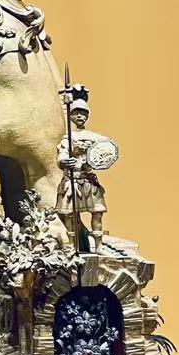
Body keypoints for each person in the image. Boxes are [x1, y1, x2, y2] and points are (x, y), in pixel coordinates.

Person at [56, 94, 119, 251]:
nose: (80, 116)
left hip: (88, 181)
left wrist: (95, 158)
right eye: (76, 112)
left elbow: (105, 151)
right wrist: (64, 161)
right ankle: (71, 246)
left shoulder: (96, 138)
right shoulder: (67, 138)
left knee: (97, 212)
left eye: (83, 113)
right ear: (71, 115)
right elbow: (62, 155)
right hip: (72, 181)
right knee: (69, 215)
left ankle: (99, 246)